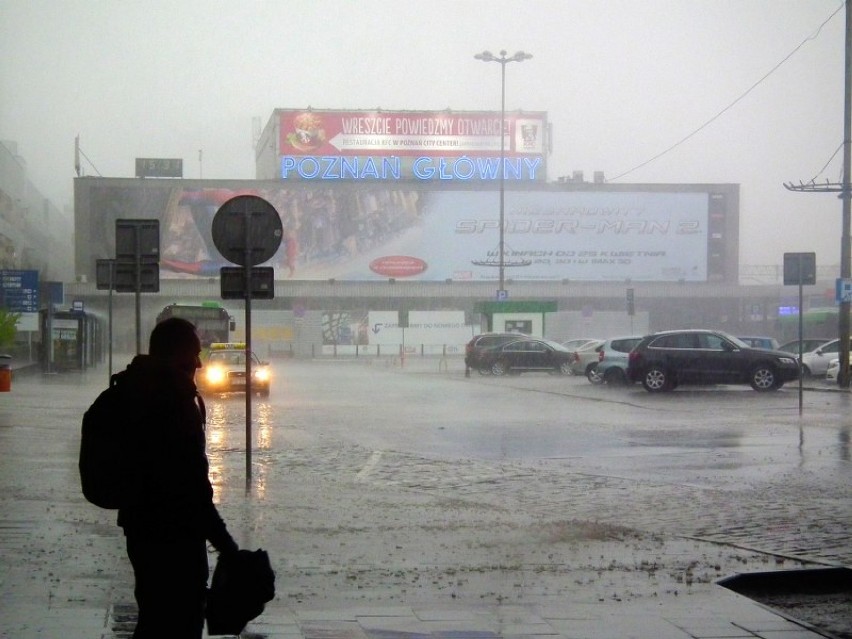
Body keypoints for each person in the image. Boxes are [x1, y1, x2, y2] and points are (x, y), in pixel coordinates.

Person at [116, 317, 239, 638]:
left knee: (153, 617)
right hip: (176, 540)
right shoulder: (175, 403)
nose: (199, 362)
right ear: (177, 355)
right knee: (180, 622)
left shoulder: (134, 390)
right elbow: (193, 489)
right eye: (195, 353)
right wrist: (227, 547)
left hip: (140, 531)